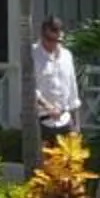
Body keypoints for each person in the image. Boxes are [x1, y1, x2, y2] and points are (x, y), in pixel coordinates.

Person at [29, 15, 82, 154]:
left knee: (70, 163)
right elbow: (30, 87)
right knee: (45, 165)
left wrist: (76, 125)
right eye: (49, 39)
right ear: (42, 35)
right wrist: (47, 106)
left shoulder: (67, 55)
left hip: (65, 121)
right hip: (42, 122)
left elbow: (72, 89)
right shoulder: (32, 54)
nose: (53, 44)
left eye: (57, 40)